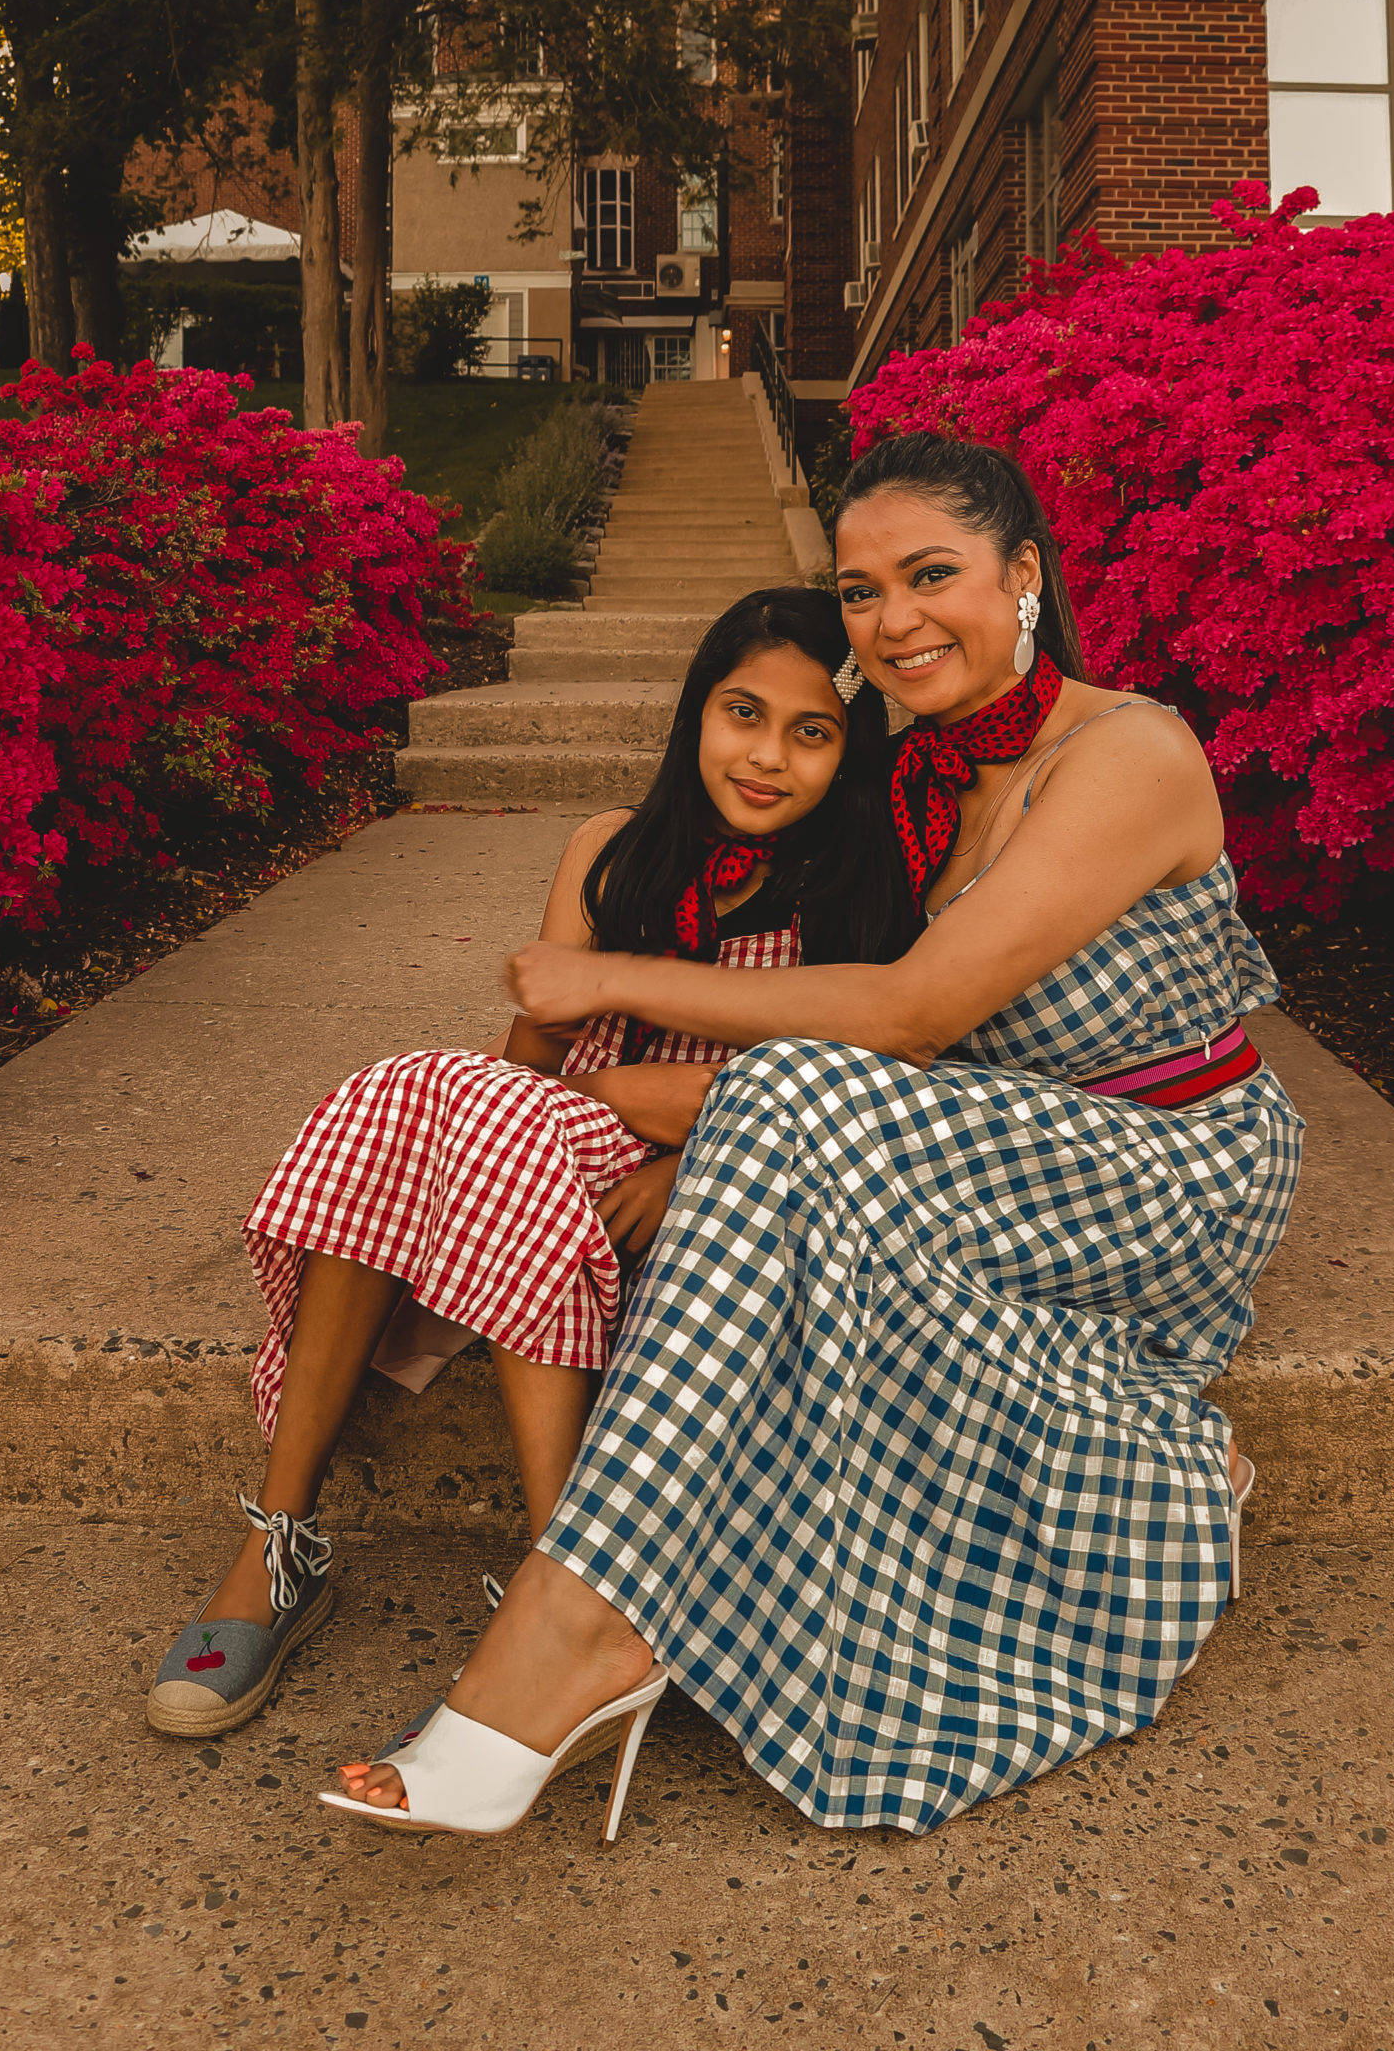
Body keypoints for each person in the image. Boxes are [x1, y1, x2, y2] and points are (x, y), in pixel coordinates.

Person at [324, 432, 1304, 1843]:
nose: (891, 621)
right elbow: (854, 1017)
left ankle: (576, 1622)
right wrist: (616, 1106)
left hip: (1164, 1168)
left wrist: (605, 983)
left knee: (784, 1093)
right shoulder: (911, 780)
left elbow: (905, 1014)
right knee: (766, 1112)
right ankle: (590, 1617)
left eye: (929, 576)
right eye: (858, 593)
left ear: (1021, 575)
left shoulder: (1127, 749)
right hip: (991, 1151)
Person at [147, 587, 913, 1738]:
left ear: (849, 753)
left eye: (812, 733)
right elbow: (531, 1068)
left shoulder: (856, 892)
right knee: (417, 1104)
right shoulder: (609, 850)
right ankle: (280, 1535)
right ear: (695, 711)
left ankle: (569, 1582)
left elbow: (850, 1088)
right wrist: (528, 1136)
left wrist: (681, 1162)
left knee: (461, 1111)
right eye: (741, 713)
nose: (766, 757)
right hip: (563, 1167)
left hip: (736, 1190)